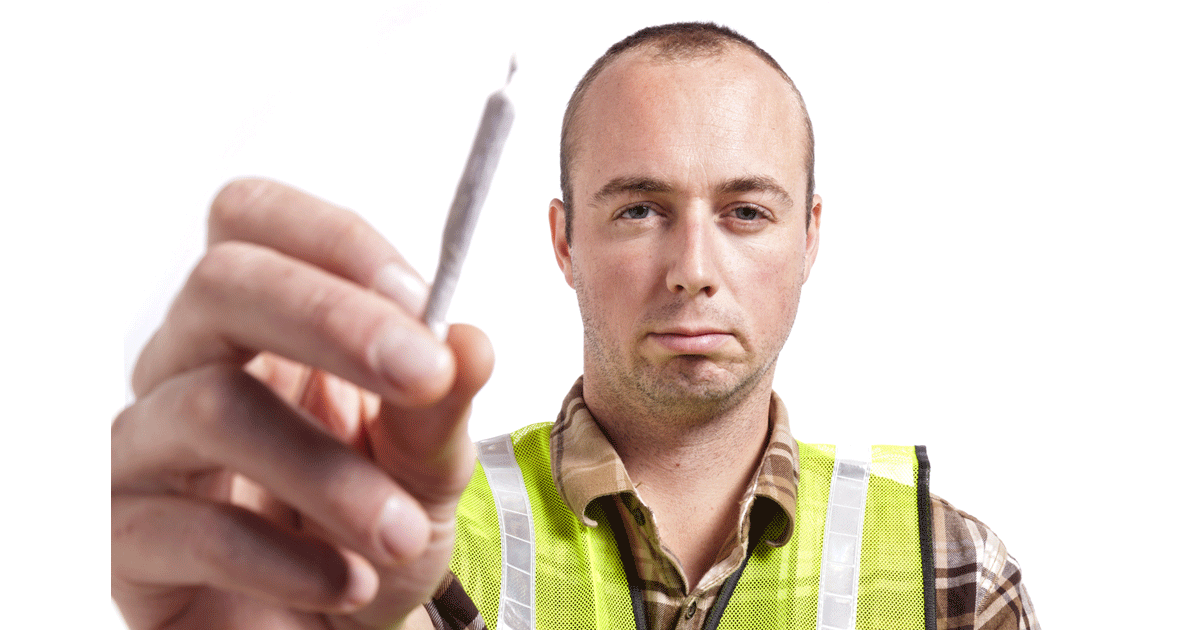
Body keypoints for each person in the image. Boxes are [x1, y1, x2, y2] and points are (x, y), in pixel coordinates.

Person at [111, 22, 1038, 630]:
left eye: (747, 213)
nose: (693, 270)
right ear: (563, 241)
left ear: (810, 236)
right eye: (639, 210)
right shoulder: (390, 548)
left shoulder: (950, 571)